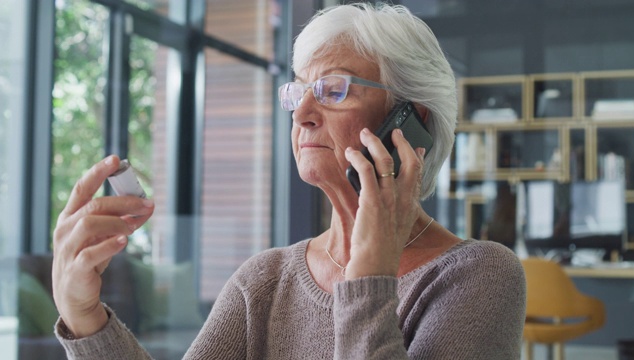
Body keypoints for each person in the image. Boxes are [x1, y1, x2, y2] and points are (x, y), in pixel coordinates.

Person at [53, 3, 526, 359]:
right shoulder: (265, 280)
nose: (301, 113)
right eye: (298, 91)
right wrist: (85, 318)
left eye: (333, 90)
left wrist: (368, 276)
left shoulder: (479, 275)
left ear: (410, 121)